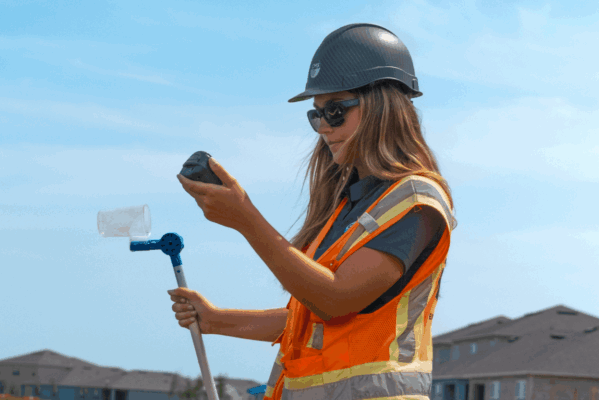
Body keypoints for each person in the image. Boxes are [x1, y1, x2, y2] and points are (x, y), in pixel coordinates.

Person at [168, 23, 455, 400]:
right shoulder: (347, 209)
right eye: (315, 115)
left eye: (335, 111)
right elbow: (312, 321)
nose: (322, 127)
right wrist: (217, 320)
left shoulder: (416, 202)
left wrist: (246, 220)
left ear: (384, 107)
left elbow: (335, 300)